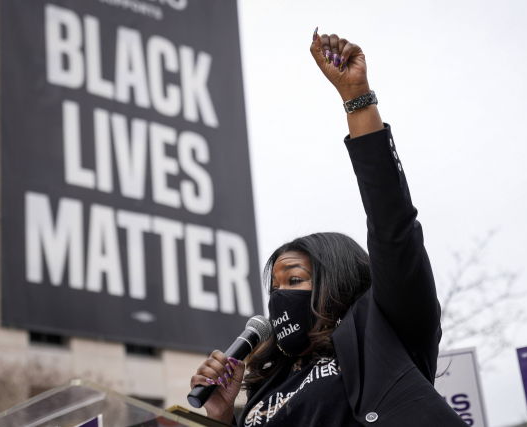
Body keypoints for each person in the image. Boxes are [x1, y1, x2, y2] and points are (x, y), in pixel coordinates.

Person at [190, 28, 467, 426]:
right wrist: (222, 417)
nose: (279, 297)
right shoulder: (266, 386)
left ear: (337, 282)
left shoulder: (381, 333)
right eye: (275, 287)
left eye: (295, 279)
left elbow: (394, 228)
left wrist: (357, 100)